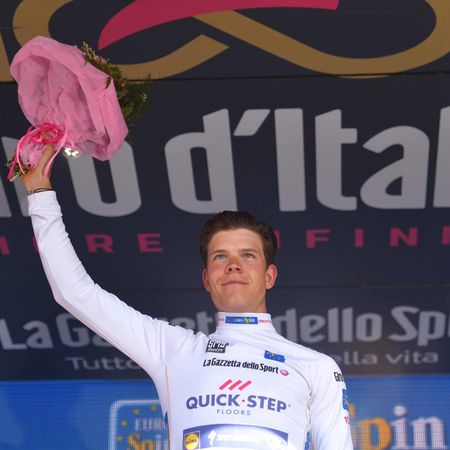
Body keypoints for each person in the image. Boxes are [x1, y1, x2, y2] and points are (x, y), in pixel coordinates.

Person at [21, 145, 354, 450]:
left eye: (248, 255)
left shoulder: (317, 368)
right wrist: (39, 193)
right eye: (220, 257)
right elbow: (76, 293)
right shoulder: (174, 350)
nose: (234, 265)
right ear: (207, 279)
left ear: (270, 276)